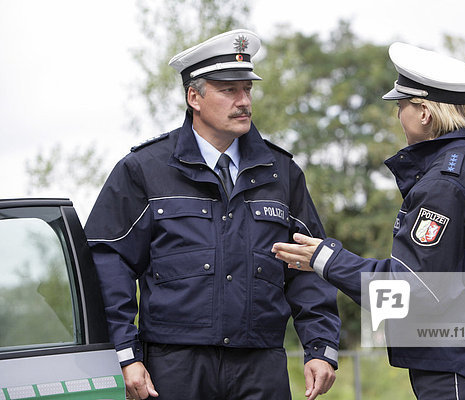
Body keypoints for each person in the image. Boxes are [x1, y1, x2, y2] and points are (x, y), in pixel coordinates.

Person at [272, 42, 465, 399]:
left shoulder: (444, 186)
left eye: (402, 105)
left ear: (424, 113)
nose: (398, 116)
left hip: (456, 375)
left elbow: (410, 291)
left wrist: (327, 260)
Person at [85, 29, 341, 400]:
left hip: (261, 364)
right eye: (228, 90)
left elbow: (309, 263)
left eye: (248, 89)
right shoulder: (144, 169)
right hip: (174, 366)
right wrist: (126, 354)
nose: (244, 102)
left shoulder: (281, 172)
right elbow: (109, 262)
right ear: (194, 97)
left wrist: (320, 347)